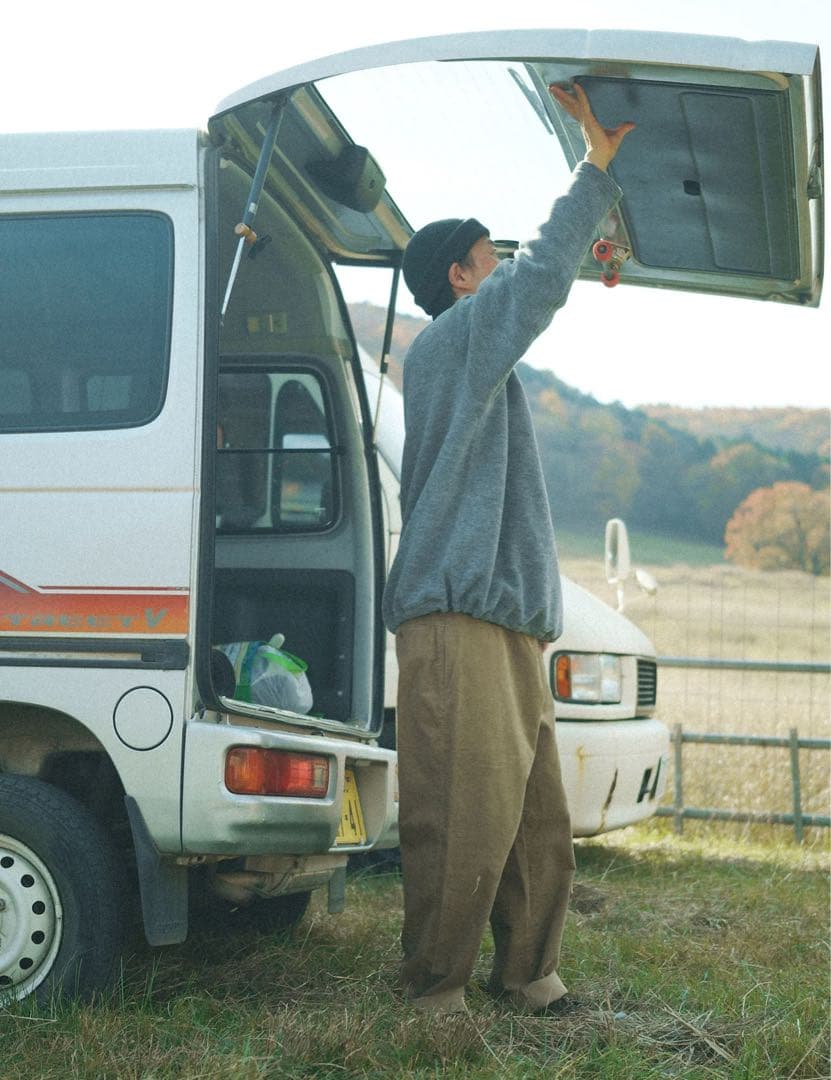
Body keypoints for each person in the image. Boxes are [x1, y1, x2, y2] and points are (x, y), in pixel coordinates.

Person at [381, 82, 635, 1016]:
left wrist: (591, 239)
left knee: (535, 824)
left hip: (509, 623)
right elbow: (535, 286)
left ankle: (525, 972)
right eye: (492, 261)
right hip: (455, 618)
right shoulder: (450, 344)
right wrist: (594, 168)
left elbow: (536, 277)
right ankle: (430, 993)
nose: (506, 272)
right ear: (458, 277)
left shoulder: (475, 348)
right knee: (462, 819)